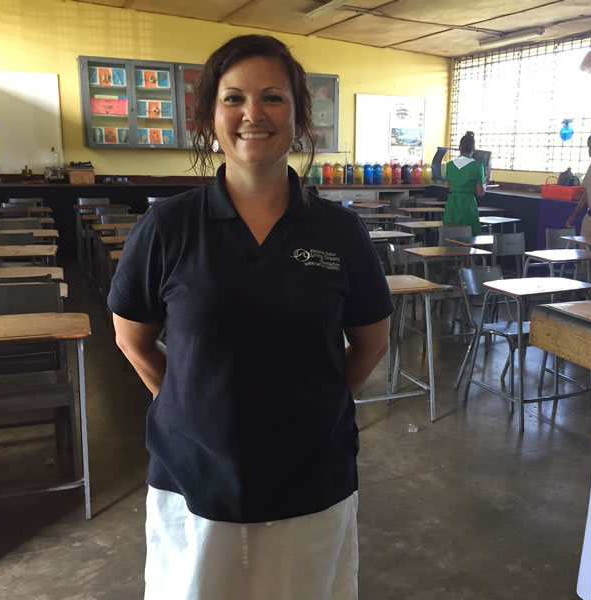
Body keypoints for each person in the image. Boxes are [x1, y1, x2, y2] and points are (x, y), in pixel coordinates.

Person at [108, 34, 393, 600]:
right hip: (194, 480)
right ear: (210, 117)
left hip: (312, 477)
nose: (252, 114)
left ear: (299, 116)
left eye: (273, 98)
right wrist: (190, 405)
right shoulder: (167, 227)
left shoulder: (339, 231)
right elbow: (132, 340)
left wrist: (319, 410)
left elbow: (371, 343)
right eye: (233, 98)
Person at [443, 131, 486, 235]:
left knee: (450, 237)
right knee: (469, 237)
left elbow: (450, 187)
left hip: (452, 205)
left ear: (460, 147)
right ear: (473, 148)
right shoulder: (477, 166)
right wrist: (486, 181)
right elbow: (480, 192)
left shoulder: (449, 165)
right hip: (468, 205)